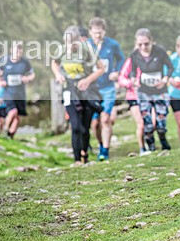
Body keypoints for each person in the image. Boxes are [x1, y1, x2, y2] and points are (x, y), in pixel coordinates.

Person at [51, 26, 105, 165]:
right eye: (68, 43)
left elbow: (101, 69)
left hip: (85, 90)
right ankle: (76, 160)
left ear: (79, 41)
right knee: (75, 126)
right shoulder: (61, 50)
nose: (70, 46)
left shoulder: (88, 50)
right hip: (68, 89)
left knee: (85, 127)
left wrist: (87, 80)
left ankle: (84, 153)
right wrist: (58, 75)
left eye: (73, 43)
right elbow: (54, 63)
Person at [87, 17, 125, 160]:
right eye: (95, 33)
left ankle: (105, 151)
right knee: (95, 123)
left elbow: (121, 59)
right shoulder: (85, 46)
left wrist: (117, 71)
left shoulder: (112, 44)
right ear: (90, 32)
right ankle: (101, 144)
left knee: (105, 119)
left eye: (100, 33)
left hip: (108, 87)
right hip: (92, 89)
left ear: (104, 31)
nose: (98, 35)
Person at [130, 29, 174, 152]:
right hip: (144, 91)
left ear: (151, 41)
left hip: (160, 91)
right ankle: (151, 148)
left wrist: (165, 79)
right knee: (147, 124)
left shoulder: (160, 52)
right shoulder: (135, 55)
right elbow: (133, 69)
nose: (143, 47)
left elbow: (170, 67)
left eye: (146, 44)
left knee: (160, 124)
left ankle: (164, 142)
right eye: (140, 44)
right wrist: (134, 79)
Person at [0, 43, 35, 139]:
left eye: (20, 49)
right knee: (13, 111)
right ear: (11, 51)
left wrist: (28, 78)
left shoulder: (25, 62)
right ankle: (5, 128)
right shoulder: (5, 60)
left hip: (20, 93)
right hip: (8, 91)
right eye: (17, 49)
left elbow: (32, 74)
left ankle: (10, 136)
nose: (19, 52)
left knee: (18, 117)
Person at [118, 56, 147, 155]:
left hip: (150, 95)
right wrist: (131, 83)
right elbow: (121, 78)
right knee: (141, 124)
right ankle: (142, 148)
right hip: (133, 96)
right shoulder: (131, 61)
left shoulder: (154, 58)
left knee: (153, 123)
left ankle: (151, 145)